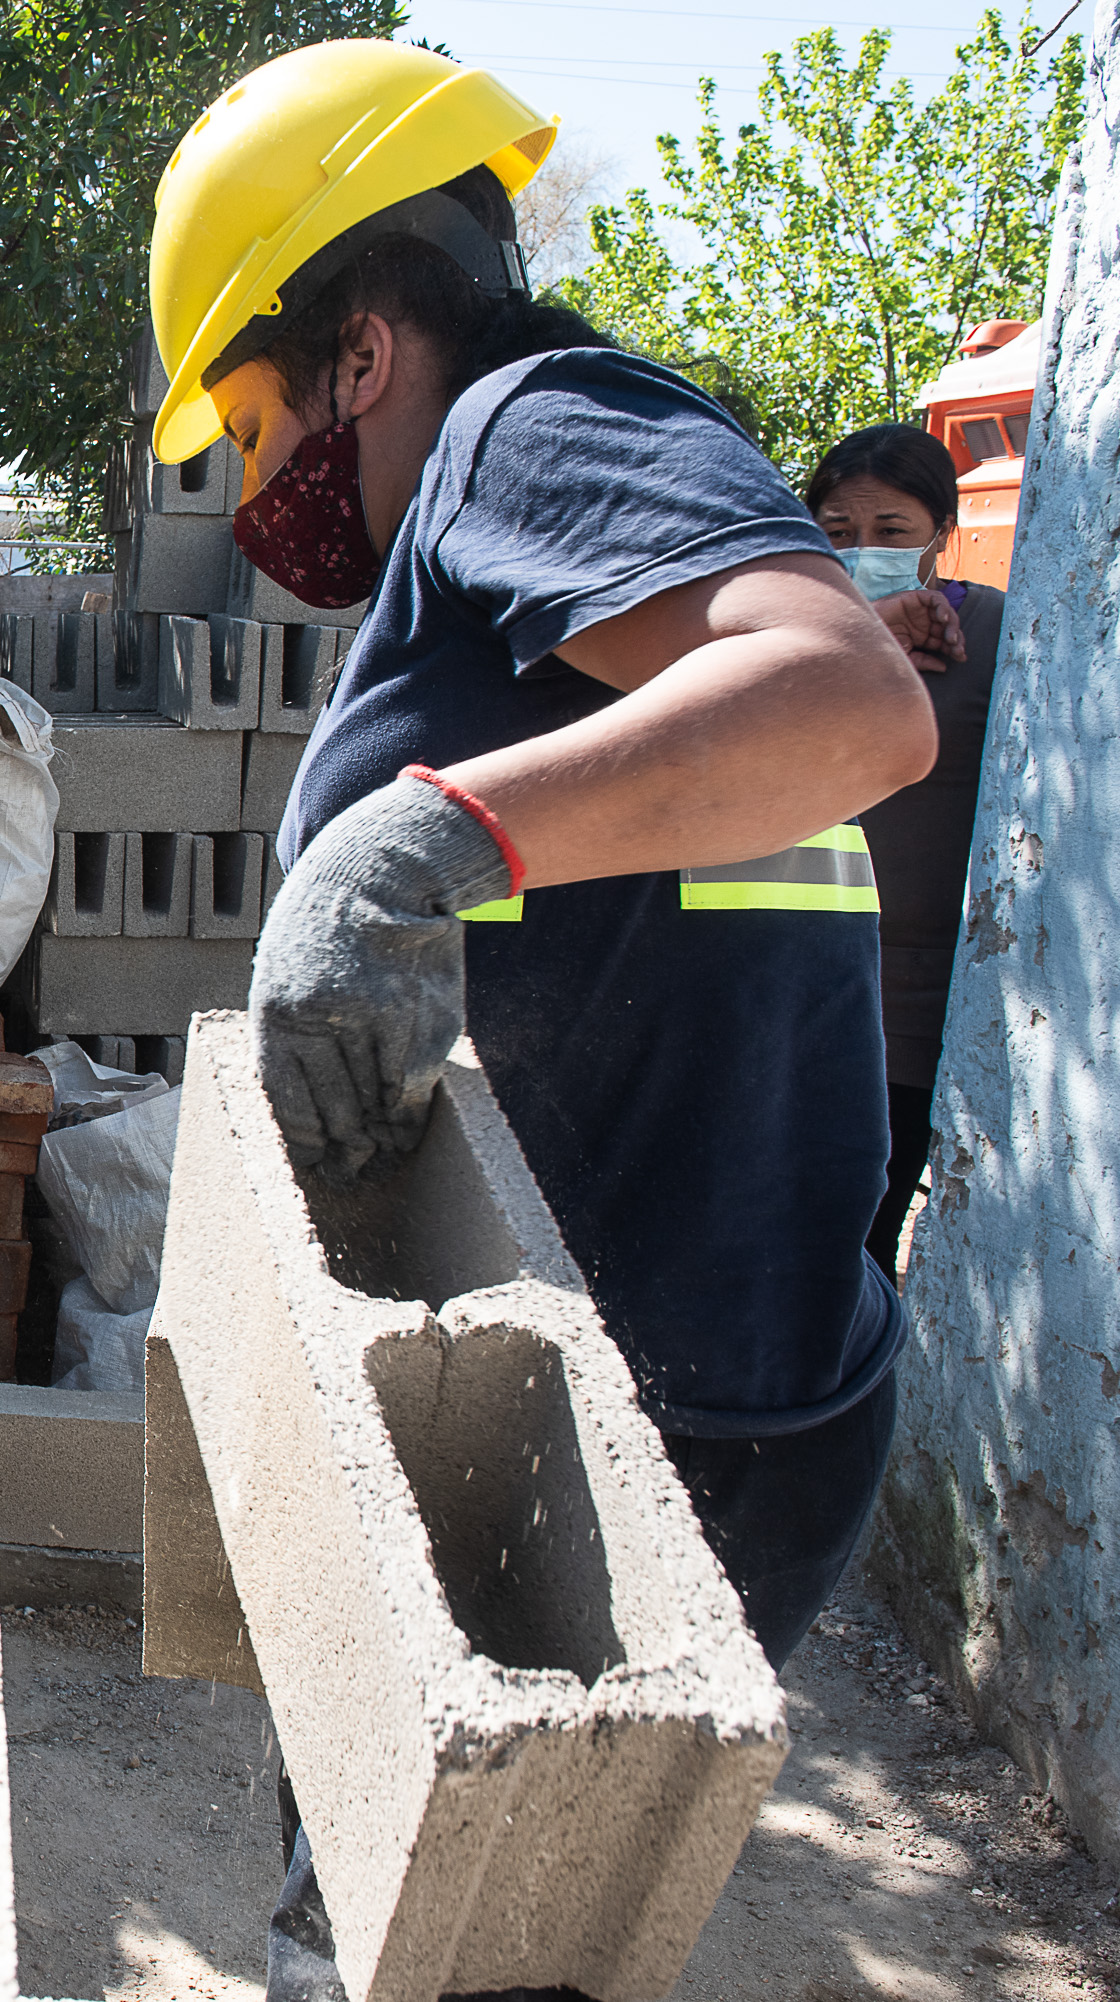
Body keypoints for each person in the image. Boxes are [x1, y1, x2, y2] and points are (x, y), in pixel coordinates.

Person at [139, 42, 937, 2002]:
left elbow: (854, 703)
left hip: (658, 1418)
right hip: (687, 1380)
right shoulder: (532, 520)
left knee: (423, 1947)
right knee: (420, 1923)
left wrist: (422, 836)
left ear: (361, 348)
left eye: (248, 416)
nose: (254, 484)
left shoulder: (531, 426)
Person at [805, 424, 1006, 1273]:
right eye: (838, 531)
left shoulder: (993, 635)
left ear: (941, 535)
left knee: (863, 1234)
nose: (863, 550)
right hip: (788, 982)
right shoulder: (788, 633)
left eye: (891, 531)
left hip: (913, 1005)